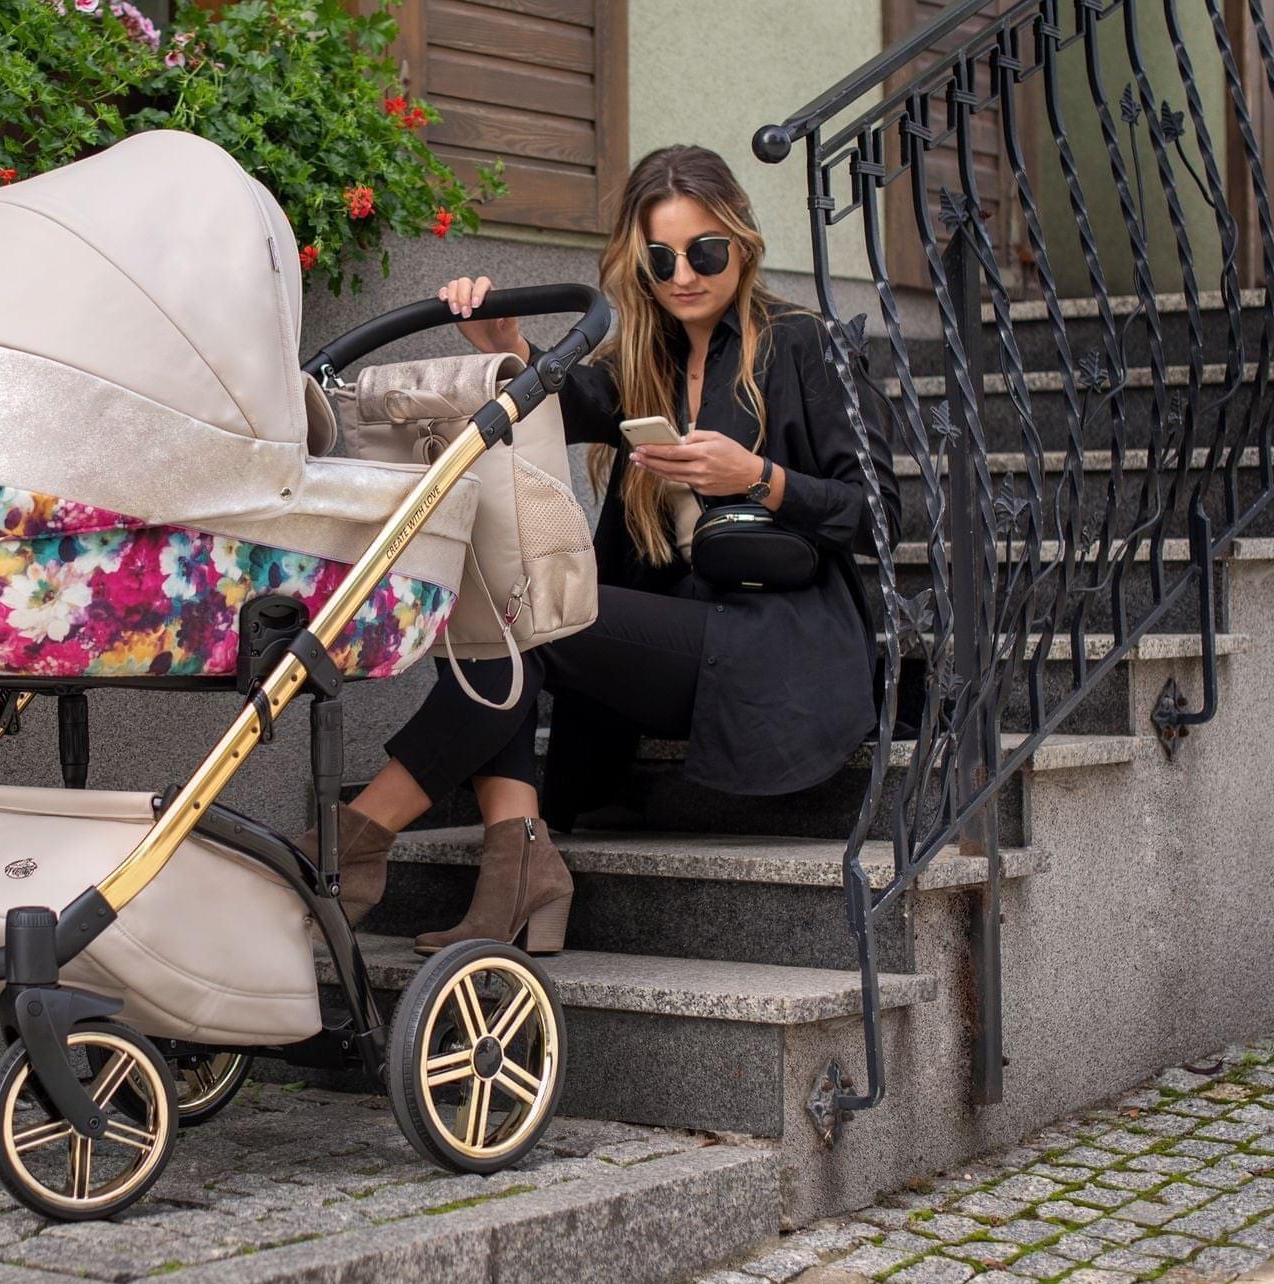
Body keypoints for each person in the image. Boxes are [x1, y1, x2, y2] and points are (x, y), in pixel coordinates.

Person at [298, 144, 900, 957]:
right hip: (667, 643)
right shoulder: (642, 358)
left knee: (531, 611)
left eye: (704, 252)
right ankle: (515, 862)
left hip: (775, 651)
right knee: (493, 592)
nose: (682, 273)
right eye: (660, 257)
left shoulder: (805, 345)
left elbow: (880, 517)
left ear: (743, 244)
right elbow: (552, 403)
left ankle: (359, 837)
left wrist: (758, 476)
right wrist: (502, 339)